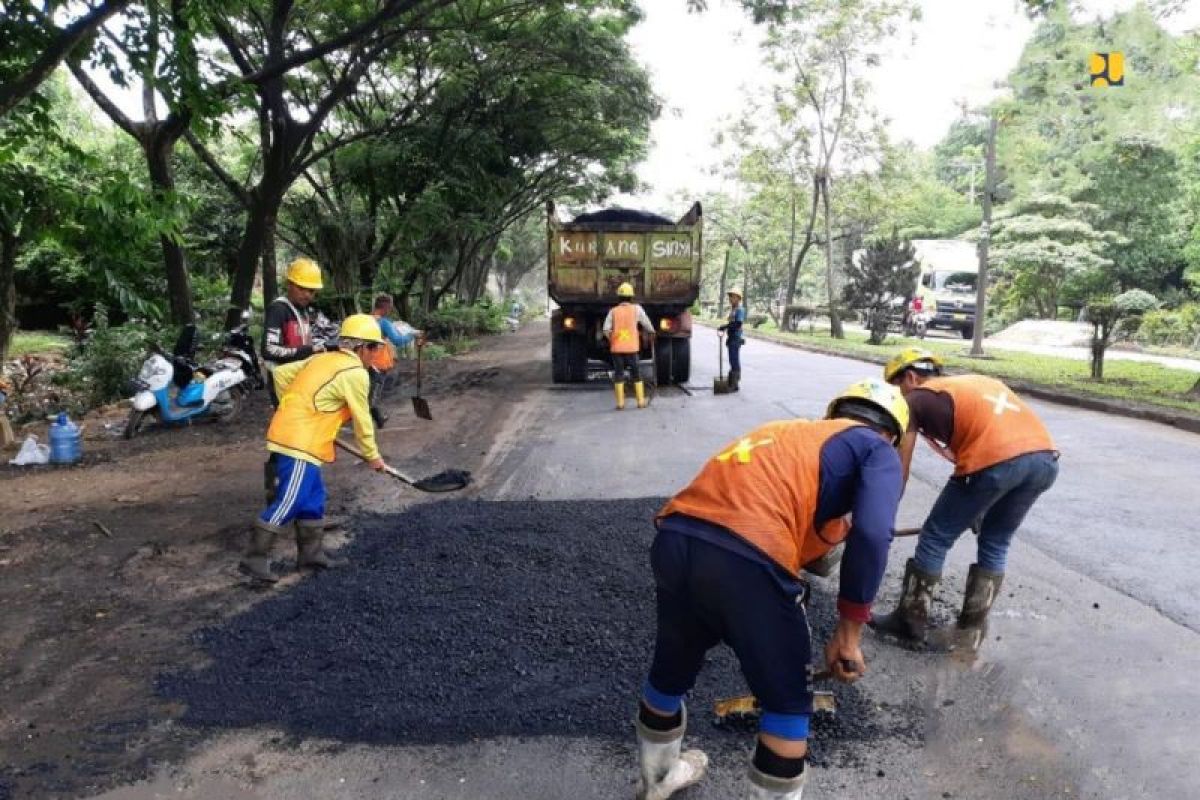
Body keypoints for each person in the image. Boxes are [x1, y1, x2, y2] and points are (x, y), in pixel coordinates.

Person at [634, 379, 909, 800]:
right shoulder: (878, 450)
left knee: (671, 667)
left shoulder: (792, 434)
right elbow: (873, 534)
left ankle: (656, 781)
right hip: (748, 554)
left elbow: (805, 531)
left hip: (676, 535)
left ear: (834, 414)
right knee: (786, 704)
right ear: (891, 433)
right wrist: (849, 633)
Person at [872, 347, 1059, 651]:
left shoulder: (915, 399)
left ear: (909, 377)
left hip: (996, 463)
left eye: (895, 389)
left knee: (935, 537)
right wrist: (979, 506)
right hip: (1045, 462)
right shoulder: (970, 384)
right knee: (996, 540)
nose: (895, 400)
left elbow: (900, 469)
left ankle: (909, 622)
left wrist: (880, 519)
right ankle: (971, 625)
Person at [238, 314, 391, 584]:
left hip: (304, 436)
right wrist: (372, 455)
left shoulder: (322, 359)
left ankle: (311, 554)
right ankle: (254, 558)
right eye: (374, 348)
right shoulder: (355, 373)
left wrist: (299, 405)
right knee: (291, 499)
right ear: (360, 347)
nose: (376, 354)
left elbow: (282, 373)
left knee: (313, 498)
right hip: (298, 441)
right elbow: (362, 419)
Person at [261, 257, 336, 408]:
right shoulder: (279, 309)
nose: (307, 295)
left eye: (311, 291)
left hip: (300, 377)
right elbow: (268, 350)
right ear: (289, 285)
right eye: (302, 288)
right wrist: (308, 350)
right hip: (283, 381)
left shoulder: (304, 311)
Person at [366, 293, 421, 427]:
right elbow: (398, 340)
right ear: (385, 307)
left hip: (363, 361)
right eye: (390, 308)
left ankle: (378, 418)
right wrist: (412, 335)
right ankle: (370, 421)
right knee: (373, 395)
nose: (390, 311)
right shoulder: (383, 322)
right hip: (378, 363)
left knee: (367, 391)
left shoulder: (366, 319)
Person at [603, 282, 655, 410]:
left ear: (619, 298)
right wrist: (652, 331)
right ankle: (640, 402)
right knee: (636, 374)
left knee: (619, 374)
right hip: (632, 349)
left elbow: (605, 329)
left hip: (617, 349)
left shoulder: (613, 311)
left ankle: (620, 404)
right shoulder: (637, 309)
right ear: (631, 297)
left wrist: (612, 340)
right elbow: (646, 323)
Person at [718, 288, 746, 392]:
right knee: (731, 359)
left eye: (732, 296)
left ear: (738, 298)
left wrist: (725, 326)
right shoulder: (733, 309)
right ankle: (731, 382)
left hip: (736, 338)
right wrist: (726, 327)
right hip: (731, 337)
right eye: (730, 296)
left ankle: (735, 384)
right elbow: (732, 323)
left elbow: (738, 324)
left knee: (734, 360)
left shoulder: (740, 309)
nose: (730, 298)